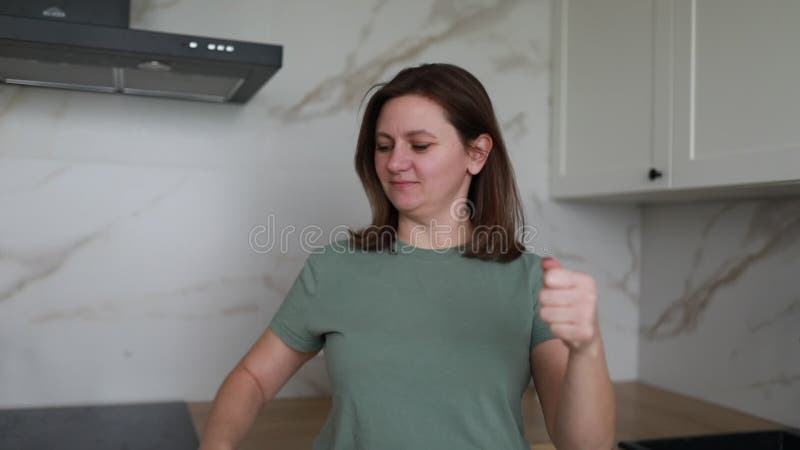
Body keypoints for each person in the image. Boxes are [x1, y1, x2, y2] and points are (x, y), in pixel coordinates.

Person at [198, 63, 615, 450]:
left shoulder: (530, 282)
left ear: (477, 154)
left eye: (419, 145)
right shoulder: (334, 268)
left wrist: (587, 349)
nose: (395, 163)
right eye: (383, 146)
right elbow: (252, 379)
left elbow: (583, 446)